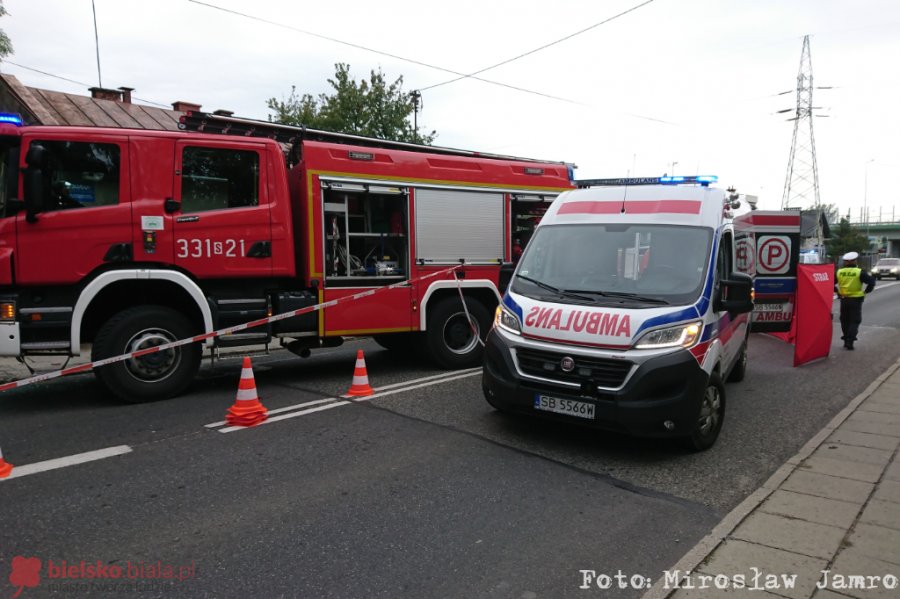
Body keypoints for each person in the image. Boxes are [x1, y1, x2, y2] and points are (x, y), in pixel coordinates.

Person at [834, 251, 875, 350]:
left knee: (844, 320)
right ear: (855, 261)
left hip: (844, 299)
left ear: (845, 262)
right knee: (854, 321)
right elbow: (871, 282)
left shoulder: (839, 272)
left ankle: (845, 339)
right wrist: (866, 291)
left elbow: (830, 283)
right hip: (856, 300)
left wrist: (837, 292)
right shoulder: (859, 272)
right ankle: (850, 341)